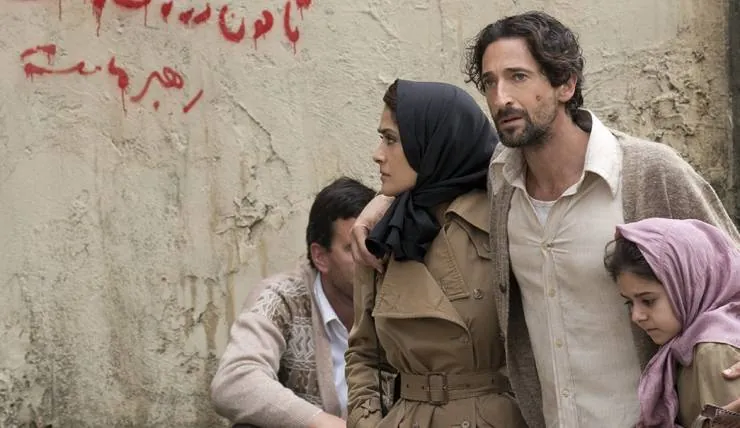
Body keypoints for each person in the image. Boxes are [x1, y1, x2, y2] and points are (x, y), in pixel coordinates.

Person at [349, 11, 740, 428]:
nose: (501, 98)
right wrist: (382, 202)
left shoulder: (646, 172)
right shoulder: (500, 183)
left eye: (518, 77)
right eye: (489, 83)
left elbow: (731, 271)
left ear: (565, 84)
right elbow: (435, 171)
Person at [345, 79, 526, 428]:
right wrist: (367, 421)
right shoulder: (383, 234)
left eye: (391, 139)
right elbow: (364, 353)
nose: (377, 154)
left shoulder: (505, 217)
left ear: (431, 143)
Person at [210, 177, 376, 428]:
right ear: (320, 257)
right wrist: (320, 422)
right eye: (352, 248)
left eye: (373, 244)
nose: (369, 257)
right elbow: (234, 380)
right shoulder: (282, 298)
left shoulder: (396, 301)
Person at [604, 218, 740, 427]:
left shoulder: (713, 352)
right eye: (629, 303)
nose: (636, 316)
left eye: (648, 301)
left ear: (688, 287)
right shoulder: (685, 347)